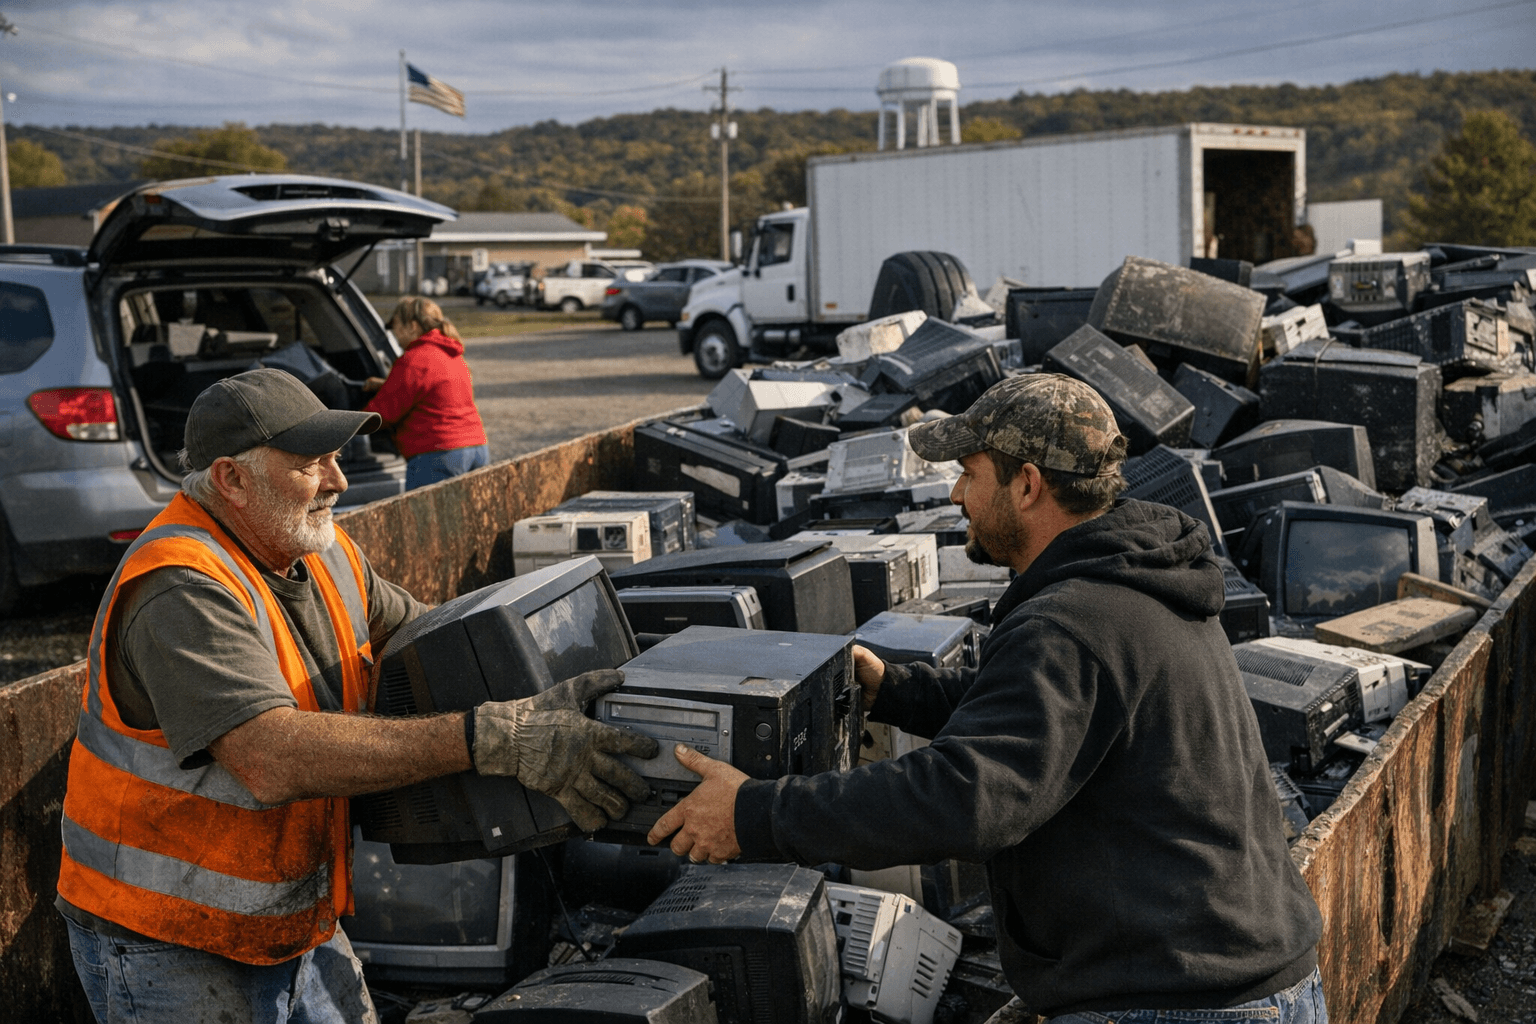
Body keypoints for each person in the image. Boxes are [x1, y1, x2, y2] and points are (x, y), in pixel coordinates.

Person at [648, 373, 1328, 1023]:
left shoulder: (1069, 623)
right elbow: (1052, 721)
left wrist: (755, 815)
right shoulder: (1141, 581)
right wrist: (897, 691)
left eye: (969, 473)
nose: (954, 495)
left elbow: (966, 798)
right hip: (1248, 980)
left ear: (1027, 484)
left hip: (1172, 1002)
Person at [56, 368, 656, 1024]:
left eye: (337, 458)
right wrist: (492, 739)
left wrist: (550, 697)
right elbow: (270, 757)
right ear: (231, 479)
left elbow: (434, 636)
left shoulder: (322, 550)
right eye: (312, 464)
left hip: (289, 922)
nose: (339, 481)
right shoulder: (179, 587)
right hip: (164, 940)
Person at [363, 296, 490, 490]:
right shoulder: (452, 354)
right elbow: (430, 392)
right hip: (476, 449)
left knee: (426, 520)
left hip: (439, 456)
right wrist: (384, 384)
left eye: (396, 327)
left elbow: (383, 413)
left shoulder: (413, 360)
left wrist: (347, 424)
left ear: (412, 326)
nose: (394, 335)